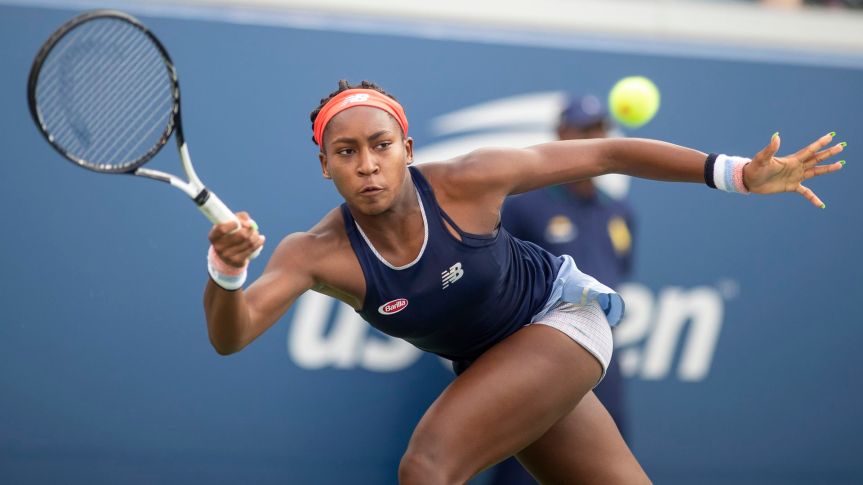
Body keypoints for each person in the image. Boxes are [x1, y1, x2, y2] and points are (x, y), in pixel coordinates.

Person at [203, 80, 843, 484]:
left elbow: (609, 154)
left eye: (381, 144)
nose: (367, 165)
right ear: (325, 166)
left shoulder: (469, 179)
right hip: (494, 361)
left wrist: (737, 174)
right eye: (347, 153)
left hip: (561, 320)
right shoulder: (314, 253)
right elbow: (231, 337)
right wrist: (227, 270)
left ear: (407, 147)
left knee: (427, 468)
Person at [490, 94, 635, 485]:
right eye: (583, 130)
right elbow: (500, 283)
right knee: (525, 467)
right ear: (560, 135)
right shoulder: (523, 206)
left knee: (604, 467)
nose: (593, 138)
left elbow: (618, 273)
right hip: (538, 359)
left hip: (603, 359)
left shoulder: (618, 211)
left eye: (599, 129)